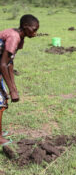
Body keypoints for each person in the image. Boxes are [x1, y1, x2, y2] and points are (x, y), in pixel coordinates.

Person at [0, 14, 39, 145]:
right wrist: (12, 90)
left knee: (3, 100)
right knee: (0, 102)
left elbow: (9, 63)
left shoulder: (20, 38)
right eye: (34, 30)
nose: (35, 33)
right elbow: (3, 65)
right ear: (25, 27)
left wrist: (14, 88)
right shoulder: (14, 37)